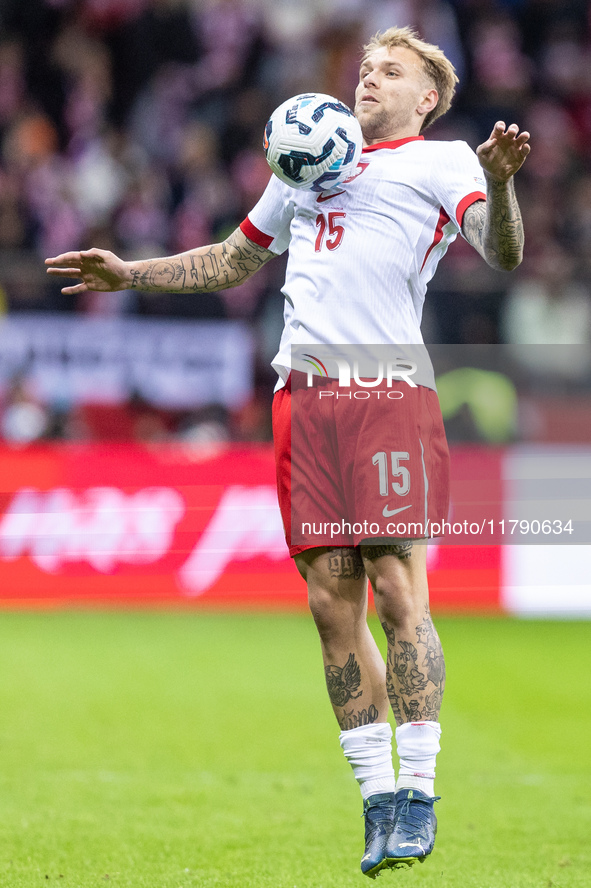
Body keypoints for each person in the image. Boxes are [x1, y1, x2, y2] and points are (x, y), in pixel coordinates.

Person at [46, 26, 530, 880]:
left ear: (425, 98)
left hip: (385, 391)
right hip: (300, 400)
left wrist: (497, 180)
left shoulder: (446, 161)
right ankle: (377, 803)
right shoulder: (308, 154)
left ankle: (418, 790)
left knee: (394, 586)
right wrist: (132, 273)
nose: (369, 78)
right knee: (327, 605)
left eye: (391, 72)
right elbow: (234, 260)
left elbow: (501, 251)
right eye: (365, 67)